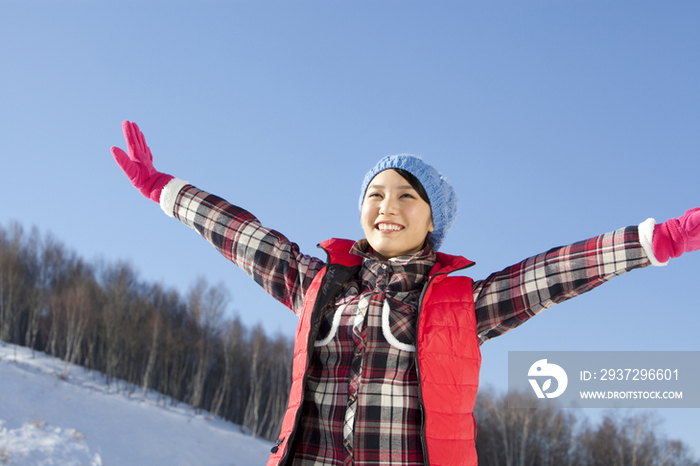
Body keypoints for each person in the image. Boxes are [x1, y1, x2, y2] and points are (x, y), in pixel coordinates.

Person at [111, 120, 699, 466]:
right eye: (376, 194)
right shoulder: (318, 283)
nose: (386, 206)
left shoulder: (458, 306)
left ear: (431, 223)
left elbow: (551, 274)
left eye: (406, 197)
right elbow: (243, 237)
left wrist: (658, 240)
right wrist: (163, 188)